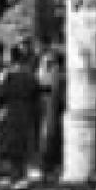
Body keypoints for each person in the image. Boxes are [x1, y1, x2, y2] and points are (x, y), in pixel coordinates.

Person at [0, 44, 38, 188]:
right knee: (19, 147)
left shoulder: (5, 75)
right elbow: (35, 93)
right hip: (24, 113)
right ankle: (18, 177)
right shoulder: (29, 74)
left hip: (7, 112)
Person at [35, 46, 65, 179]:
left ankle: (48, 169)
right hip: (45, 106)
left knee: (50, 137)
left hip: (52, 107)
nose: (44, 65)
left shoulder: (56, 74)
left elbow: (53, 88)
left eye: (48, 63)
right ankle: (47, 168)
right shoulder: (49, 72)